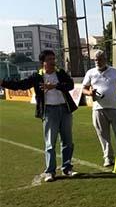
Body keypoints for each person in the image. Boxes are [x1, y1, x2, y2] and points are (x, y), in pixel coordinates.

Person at [0, 50, 78, 182]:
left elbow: (70, 85)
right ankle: (50, 171)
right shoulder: (37, 77)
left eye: (54, 59)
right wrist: (3, 82)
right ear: (43, 63)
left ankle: (67, 168)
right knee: (50, 143)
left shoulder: (60, 73)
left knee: (67, 142)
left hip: (65, 110)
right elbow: (22, 85)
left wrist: (55, 86)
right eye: (50, 59)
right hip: (49, 111)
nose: (53, 62)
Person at [82, 50, 116, 167]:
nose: (98, 62)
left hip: (115, 107)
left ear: (105, 59)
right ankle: (108, 158)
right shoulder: (90, 73)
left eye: (100, 59)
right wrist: (90, 93)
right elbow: (84, 89)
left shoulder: (114, 72)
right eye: (95, 59)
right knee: (103, 136)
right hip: (98, 109)